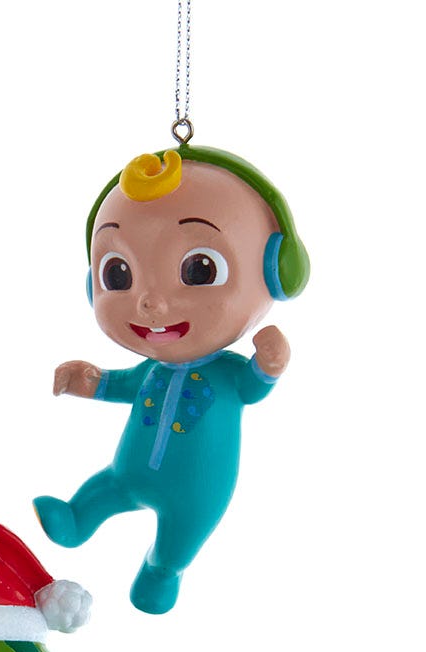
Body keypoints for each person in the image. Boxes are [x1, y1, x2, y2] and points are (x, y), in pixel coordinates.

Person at [34, 146, 308, 614]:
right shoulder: (152, 369)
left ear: (276, 270)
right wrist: (89, 381)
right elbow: (122, 384)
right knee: (108, 487)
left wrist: (270, 362)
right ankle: (77, 518)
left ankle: (162, 571)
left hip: (199, 492)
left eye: (198, 269)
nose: (151, 302)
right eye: (118, 273)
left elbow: (252, 386)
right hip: (128, 472)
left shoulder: (228, 373)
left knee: (180, 538)